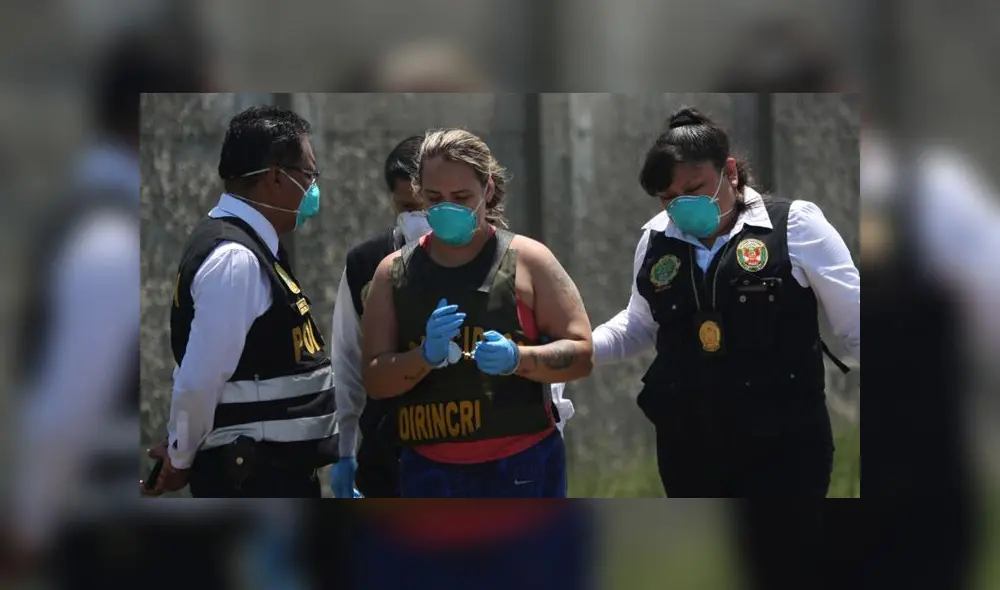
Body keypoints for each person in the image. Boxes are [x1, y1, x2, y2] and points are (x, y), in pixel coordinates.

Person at [592, 107, 860, 498]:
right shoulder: (655, 240)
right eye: (667, 198)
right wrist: (582, 344)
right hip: (688, 447)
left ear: (729, 172)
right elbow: (639, 325)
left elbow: (857, 323)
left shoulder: (794, 226)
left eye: (693, 190)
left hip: (784, 447)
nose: (680, 207)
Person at [361, 128, 593, 498]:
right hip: (430, 471)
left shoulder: (529, 260)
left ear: (487, 189)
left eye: (462, 197)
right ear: (418, 191)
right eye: (434, 197)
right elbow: (374, 379)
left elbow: (582, 355)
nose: (448, 207)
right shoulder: (392, 273)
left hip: (521, 466)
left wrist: (518, 358)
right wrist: (423, 357)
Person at [143, 105, 338, 498]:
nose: (313, 188)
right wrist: (181, 458)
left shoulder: (252, 247)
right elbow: (199, 379)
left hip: (272, 474)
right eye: (309, 175)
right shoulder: (236, 258)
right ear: (276, 178)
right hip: (255, 480)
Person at [329, 135, 431, 499]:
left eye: (430, 204)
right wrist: (344, 452)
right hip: (388, 455)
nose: (419, 218)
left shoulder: (498, 258)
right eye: (407, 206)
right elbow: (347, 361)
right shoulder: (366, 265)